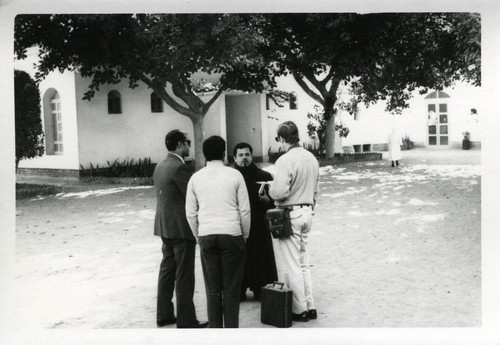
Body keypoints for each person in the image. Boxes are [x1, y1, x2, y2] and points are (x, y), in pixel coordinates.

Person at [185, 136, 250, 328]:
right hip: (232, 233)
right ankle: (231, 332)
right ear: (224, 152)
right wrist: (244, 235)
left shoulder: (195, 178)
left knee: (212, 289)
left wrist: (198, 235)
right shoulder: (235, 175)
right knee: (231, 288)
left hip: (206, 234)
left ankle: (215, 331)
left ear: (204, 154)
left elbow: (190, 213)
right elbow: (244, 210)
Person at [153, 129, 208, 329]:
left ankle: (164, 314)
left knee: (167, 271)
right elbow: (193, 197)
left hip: (164, 226)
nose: (189, 146)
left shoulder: (160, 165)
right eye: (188, 143)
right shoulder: (180, 168)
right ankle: (186, 319)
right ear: (179, 144)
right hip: (181, 228)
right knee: (184, 274)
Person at [269, 121, 319, 322]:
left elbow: (280, 192)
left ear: (281, 139)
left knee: (292, 264)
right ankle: (310, 304)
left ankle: (299, 309)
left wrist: (270, 190)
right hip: (307, 210)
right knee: (304, 262)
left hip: (290, 213)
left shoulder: (284, 160)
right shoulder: (311, 158)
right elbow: (315, 189)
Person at [232, 142, 278, 301]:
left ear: (251, 156)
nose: (244, 158)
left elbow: (274, 202)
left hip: (258, 225)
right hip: (237, 225)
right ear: (234, 158)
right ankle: (240, 290)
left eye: (247, 154)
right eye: (240, 155)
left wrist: (267, 200)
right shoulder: (230, 178)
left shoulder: (263, 176)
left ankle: (261, 288)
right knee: (240, 260)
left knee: (260, 257)